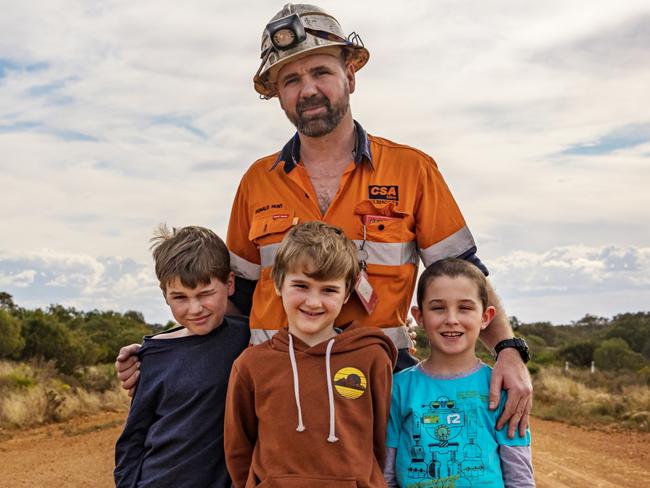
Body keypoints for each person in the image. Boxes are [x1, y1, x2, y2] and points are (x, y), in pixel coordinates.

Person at [116, 3, 532, 437]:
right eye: (291, 80)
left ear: (350, 75)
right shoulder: (257, 182)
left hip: (381, 398)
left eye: (320, 72)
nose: (308, 89)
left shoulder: (412, 171)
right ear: (276, 94)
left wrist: (508, 349)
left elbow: (465, 275)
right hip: (276, 398)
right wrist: (165, 351)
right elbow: (232, 302)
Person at [224, 221, 397, 487]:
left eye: (328, 290)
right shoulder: (250, 365)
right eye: (301, 286)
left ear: (348, 293)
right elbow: (238, 452)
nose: (313, 302)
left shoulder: (371, 358)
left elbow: (378, 442)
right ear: (279, 283)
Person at [114, 225, 250, 488]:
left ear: (229, 283)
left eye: (205, 293)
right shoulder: (153, 354)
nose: (195, 308)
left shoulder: (250, 338)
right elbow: (133, 439)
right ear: (165, 295)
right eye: (180, 297)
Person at [384, 258, 534, 487]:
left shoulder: (499, 387)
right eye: (438, 308)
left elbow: (519, 477)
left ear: (485, 317)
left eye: (464, 308)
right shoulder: (398, 388)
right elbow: (386, 474)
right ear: (419, 316)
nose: (451, 320)